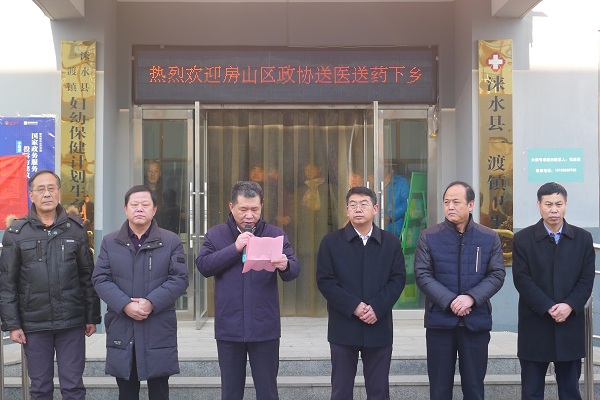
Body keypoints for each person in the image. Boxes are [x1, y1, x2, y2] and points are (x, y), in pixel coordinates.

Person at [0, 169, 100, 400]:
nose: (47, 194)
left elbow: (87, 276)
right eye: (40, 189)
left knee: (73, 387)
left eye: (51, 188)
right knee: (40, 388)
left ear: (59, 193)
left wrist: (91, 317)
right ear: (31, 195)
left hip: (72, 322)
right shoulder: (16, 233)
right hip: (34, 324)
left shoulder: (76, 230)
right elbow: (7, 283)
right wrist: (12, 325)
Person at [196, 181, 300, 400]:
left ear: (262, 206)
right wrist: (234, 248)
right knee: (231, 392)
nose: (249, 216)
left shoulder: (274, 234)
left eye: (255, 209)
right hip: (229, 327)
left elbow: (293, 271)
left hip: (265, 327)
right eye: (243, 209)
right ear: (231, 206)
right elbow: (204, 266)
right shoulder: (216, 234)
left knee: (268, 391)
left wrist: (285, 265)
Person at [92, 185, 189, 400]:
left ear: (154, 209)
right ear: (125, 209)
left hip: (158, 325)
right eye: (134, 204)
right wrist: (125, 305)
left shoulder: (170, 241)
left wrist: (151, 302)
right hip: (123, 325)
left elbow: (180, 279)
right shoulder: (110, 241)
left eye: (145, 204)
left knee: (159, 391)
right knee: (126, 390)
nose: (139, 209)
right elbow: (100, 279)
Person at [414, 181, 505, 400]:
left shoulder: (488, 237)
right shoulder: (429, 236)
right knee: (439, 389)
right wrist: (451, 301)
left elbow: (496, 274)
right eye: (446, 202)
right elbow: (423, 274)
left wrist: (471, 298)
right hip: (440, 321)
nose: (450, 207)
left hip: (475, 321)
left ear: (471, 205)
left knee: (474, 388)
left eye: (456, 202)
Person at [316, 186, 406, 400]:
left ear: (375, 208)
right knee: (341, 390)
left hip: (378, 324)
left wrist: (377, 307)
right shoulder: (331, 242)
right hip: (343, 325)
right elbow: (325, 281)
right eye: (353, 205)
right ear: (346, 210)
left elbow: (397, 279)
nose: (358, 209)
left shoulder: (391, 243)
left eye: (364, 204)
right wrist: (354, 306)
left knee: (379, 390)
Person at [512, 182, 595, 400]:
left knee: (570, 390)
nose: (554, 209)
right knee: (531, 391)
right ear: (538, 205)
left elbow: (586, 280)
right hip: (535, 323)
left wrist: (569, 305)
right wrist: (548, 306)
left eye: (559, 204)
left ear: (566, 204)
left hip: (569, 325)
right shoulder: (523, 239)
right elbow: (522, 279)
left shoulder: (583, 239)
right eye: (548, 204)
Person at [383, 160, 409, 237]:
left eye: (385, 166)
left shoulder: (402, 182)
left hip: (395, 228)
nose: (381, 168)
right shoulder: (375, 182)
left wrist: (390, 217)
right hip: (376, 226)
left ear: (391, 169)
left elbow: (406, 203)